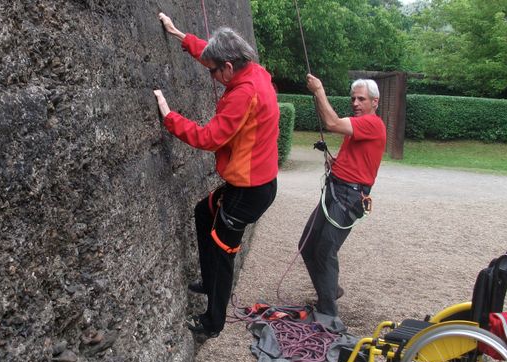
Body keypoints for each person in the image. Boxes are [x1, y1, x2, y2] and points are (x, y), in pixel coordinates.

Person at [153, 13, 279, 338]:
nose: (213, 75)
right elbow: (214, 56)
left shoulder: (243, 93)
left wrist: (169, 117)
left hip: (248, 192)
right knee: (202, 212)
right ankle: (208, 283)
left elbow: (209, 138)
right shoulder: (255, 71)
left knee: (223, 251)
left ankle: (213, 322)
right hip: (251, 184)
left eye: (214, 71)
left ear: (228, 66)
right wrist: (181, 36)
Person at [300, 74, 386, 321]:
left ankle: (328, 316)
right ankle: (330, 290)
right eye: (353, 99)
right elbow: (356, 158)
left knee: (326, 249)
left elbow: (332, 122)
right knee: (307, 243)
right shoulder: (360, 125)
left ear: (375, 102)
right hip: (336, 188)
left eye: (362, 99)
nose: (356, 103)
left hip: (349, 196)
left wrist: (319, 90)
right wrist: (336, 163)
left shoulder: (372, 123)